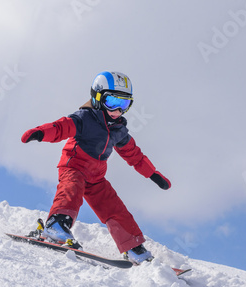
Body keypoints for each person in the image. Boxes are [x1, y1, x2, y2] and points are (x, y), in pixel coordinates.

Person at [21, 71, 171, 264]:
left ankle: (134, 247)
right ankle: (56, 224)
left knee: (115, 208)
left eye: (124, 104)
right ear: (97, 98)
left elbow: (136, 156)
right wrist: (40, 133)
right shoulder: (85, 118)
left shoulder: (118, 130)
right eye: (112, 102)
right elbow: (61, 127)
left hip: (96, 177)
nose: (117, 110)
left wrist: (153, 174)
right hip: (73, 166)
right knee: (71, 189)